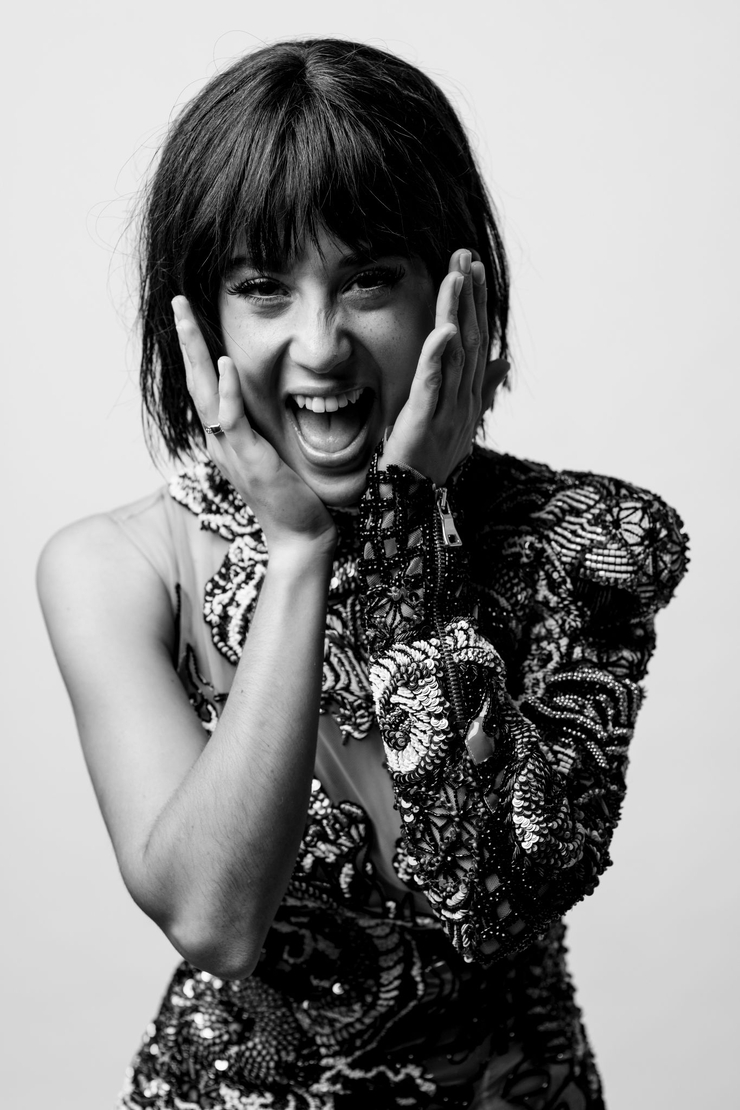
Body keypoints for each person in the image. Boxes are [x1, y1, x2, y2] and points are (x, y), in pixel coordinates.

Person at [37, 38, 689, 1110]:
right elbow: (213, 922)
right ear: (198, 317)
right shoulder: (117, 569)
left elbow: (493, 903)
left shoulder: (592, 542)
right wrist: (299, 557)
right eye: (263, 287)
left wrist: (400, 542)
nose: (320, 344)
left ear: (454, 291)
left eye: (369, 279)